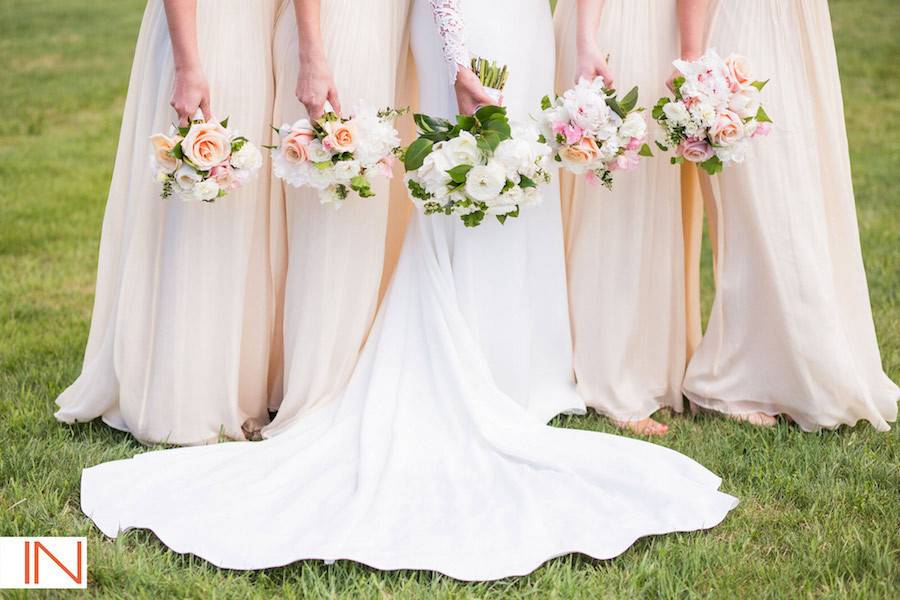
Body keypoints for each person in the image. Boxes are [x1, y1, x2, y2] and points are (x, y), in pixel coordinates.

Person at [78, 1, 736, 580]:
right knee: (455, 180)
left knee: (509, 182)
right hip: (454, 20)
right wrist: (453, 51)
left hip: (516, 18)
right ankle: (424, 369)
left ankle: (522, 370)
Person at [54, 0, 285, 445]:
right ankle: (185, 395)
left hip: (256, 31)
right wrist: (187, 64)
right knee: (200, 214)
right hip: (208, 32)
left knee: (238, 214)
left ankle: (236, 380)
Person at [679, 0, 898, 430]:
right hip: (748, 28)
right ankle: (736, 376)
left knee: (803, 191)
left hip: (799, 29)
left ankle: (803, 363)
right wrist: (691, 57)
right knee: (763, 198)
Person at [262, 0, 411, 436]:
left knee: (365, 220)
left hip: (384, 35)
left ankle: (354, 377)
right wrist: (313, 53)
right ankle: (319, 392)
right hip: (339, 35)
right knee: (334, 227)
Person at [553, 0, 686, 435]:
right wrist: (589, 38)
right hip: (616, 24)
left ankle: (637, 362)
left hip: (655, 26)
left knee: (642, 197)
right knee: (613, 203)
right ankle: (607, 372)